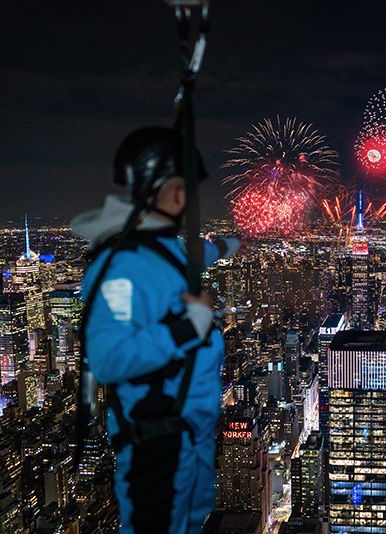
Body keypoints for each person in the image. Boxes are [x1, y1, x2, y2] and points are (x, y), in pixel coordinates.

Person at [71, 126, 240, 533]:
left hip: (185, 438)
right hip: (156, 444)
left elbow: (195, 253)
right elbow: (110, 358)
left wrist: (231, 245)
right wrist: (189, 326)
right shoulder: (123, 267)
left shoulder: (162, 248)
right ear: (173, 192)